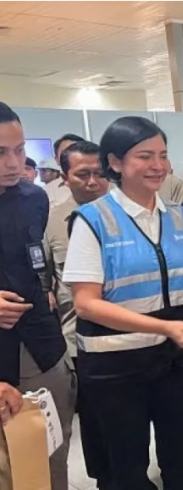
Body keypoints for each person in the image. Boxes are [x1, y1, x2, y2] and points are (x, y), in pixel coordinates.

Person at [64, 116, 183, 490]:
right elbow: (86, 304)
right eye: (144, 156)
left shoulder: (180, 217)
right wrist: (165, 327)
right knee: (127, 469)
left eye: (163, 155)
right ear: (115, 162)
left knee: (180, 461)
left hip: (175, 363)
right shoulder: (93, 219)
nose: (157, 165)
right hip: (115, 368)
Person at [0, 102, 75, 490]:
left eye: (19, 149)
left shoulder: (34, 198)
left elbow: (34, 261)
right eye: (0, 152)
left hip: (40, 346)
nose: (14, 163)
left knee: (50, 453)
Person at [41, 140, 109, 486]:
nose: (93, 181)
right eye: (83, 174)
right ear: (65, 177)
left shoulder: (130, 215)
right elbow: (43, 278)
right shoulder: (51, 221)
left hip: (132, 339)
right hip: (80, 342)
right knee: (95, 421)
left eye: (100, 173)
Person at [46, 133, 85, 207]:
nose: (73, 156)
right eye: (66, 152)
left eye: (77, 151)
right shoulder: (46, 192)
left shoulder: (105, 184)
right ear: (57, 159)